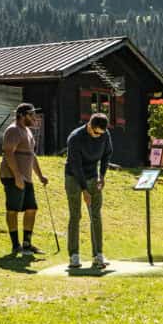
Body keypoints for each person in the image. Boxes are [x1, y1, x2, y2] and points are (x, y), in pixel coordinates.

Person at [65, 113, 113, 269]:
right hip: (74, 176)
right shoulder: (75, 138)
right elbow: (76, 165)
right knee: (75, 215)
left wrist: (102, 175)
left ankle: (98, 254)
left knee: (96, 215)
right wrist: (84, 190)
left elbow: (107, 155)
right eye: (96, 133)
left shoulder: (104, 134)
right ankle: (74, 256)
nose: (98, 136)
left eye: (101, 133)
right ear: (89, 126)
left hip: (93, 176)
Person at [0, 102, 48, 256]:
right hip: (12, 176)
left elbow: (32, 156)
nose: (35, 117)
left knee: (31, 208)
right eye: (32, 114)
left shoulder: (27, 131)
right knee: (13, 210)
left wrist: (40, 176)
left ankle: (27, 244)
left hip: (26, 178)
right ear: (22, 115)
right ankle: (15, 246)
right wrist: (17, 176)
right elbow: (8, 153)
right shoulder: (13, 130)